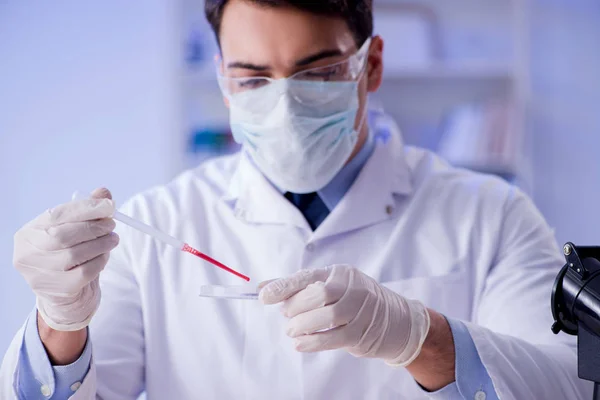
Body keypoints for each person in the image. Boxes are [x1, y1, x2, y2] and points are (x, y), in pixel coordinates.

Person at [0, 0, 591, 399]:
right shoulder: (158, 222)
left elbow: (565, 385)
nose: (284, 106)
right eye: (253, 78)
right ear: (223, 82)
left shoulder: (493, 215)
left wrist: (421, 337)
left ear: (372, 65)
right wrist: (60, 323)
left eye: (318, 72)